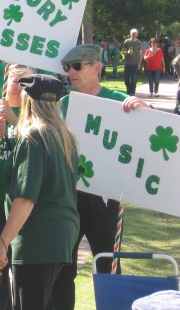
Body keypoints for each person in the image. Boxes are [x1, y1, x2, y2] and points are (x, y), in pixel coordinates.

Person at [51, 44, 153, 310]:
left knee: (108, 265)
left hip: (106, 198)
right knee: (62, 270)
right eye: (67, 68)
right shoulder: (62, 104)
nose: (70, 72)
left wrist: (145, 108)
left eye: (76, 66)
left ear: (96, 68)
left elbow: (154, 134)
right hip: (69, 197)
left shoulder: (119, 101)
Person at [0, 74, 80, 310]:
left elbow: (25, 198)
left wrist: (2, 243)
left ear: (27, 101)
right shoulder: (64, 135)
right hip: (63, 234)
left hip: (38, 238)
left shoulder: (32, 136)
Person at [0, 64, 34, 310]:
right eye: (16, 80)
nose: (20, 87)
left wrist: (15, 122)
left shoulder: (34, 113)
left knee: (19, 261)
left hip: (21, 200)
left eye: (26, 81)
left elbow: (36, 147)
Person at [122, 28, 142, 95]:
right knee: (126, 78)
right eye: (132, 33)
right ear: (130, 34)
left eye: (135, 33)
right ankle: (128, 89)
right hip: (127, 62)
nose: (134, 35)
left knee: (134, 79)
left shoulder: (138, 42)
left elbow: (140, 54)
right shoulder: (126, 41)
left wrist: (139, 63)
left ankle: (132, 92)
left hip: (135, 63)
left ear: (137, 34)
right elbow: (123, 52)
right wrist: (127, 52)